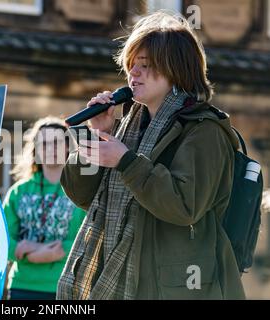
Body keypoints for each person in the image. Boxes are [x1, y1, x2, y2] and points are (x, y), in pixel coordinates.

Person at [57, 11, 245, 300]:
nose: (133, 73)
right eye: (131, 65)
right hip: (116, 280)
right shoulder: (128, 128)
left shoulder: (204, 129)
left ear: (176, 69)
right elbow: (82, 196)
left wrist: (126, 161)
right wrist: (99, 135)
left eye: (145, 65)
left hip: (175, 288)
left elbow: (184, 206)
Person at [3, 117, 86, 300]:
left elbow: (88, 241)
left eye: (56, 142)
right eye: (44, 143)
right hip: (21, 286)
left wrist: (59, 251)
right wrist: (35, 254)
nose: (51, 149)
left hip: (65, 286)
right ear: (36, 149)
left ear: (67, 147)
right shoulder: (18, 191)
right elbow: (2, 240)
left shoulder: (81, 191)